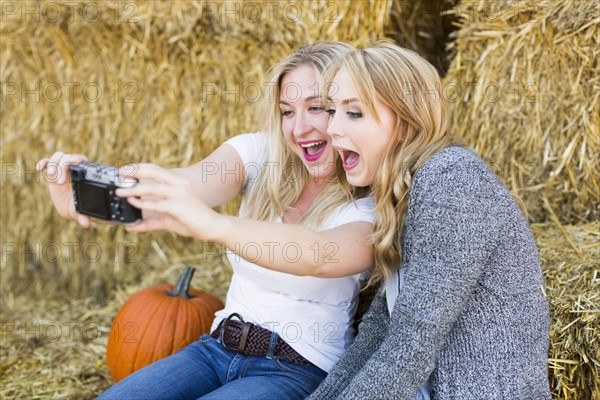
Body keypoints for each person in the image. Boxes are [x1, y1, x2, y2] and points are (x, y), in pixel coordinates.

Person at [36, 42, 377, 400]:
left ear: (347, 110)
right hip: (215, 349)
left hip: (298, 371)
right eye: (287, 111)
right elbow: (184, 186)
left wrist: (215, 226)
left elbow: (317, 256)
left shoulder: (370, 201)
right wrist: (80, 198)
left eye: (317, 108)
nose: (299, 128)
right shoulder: (261, 154)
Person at [307, 42, 551, 399]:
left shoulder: (454, 181)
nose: (331, 128)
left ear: (406, 123)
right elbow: (375, 339)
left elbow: (409, 351)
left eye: (353, 113)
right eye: (331, 111)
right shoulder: (407, 195)